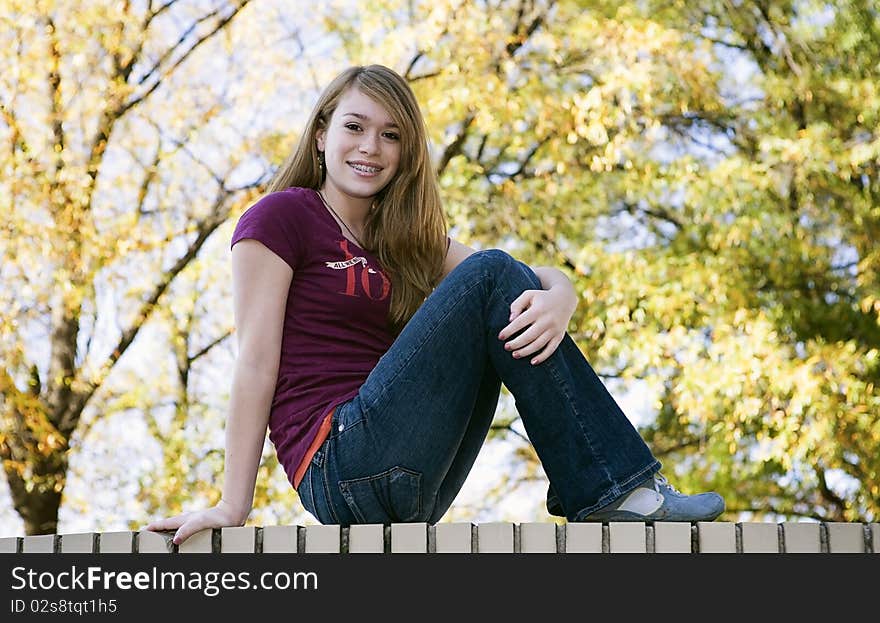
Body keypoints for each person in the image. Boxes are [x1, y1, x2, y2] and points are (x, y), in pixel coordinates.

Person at [147, 64, 724, 545]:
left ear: (406, 152)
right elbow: (255, 361)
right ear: (321, 134)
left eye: (392, 135)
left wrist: (563, 296)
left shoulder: (402, 238)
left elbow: (525, 279)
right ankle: (613, 489)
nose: (371, 147)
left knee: (502, 278)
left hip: (416, 480)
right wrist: (232, 504)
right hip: (338, 460)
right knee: (492, 272)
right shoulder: (281, 217)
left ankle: (612, 490)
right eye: (355, 126)